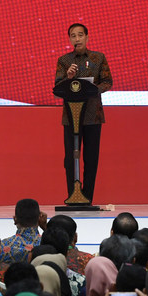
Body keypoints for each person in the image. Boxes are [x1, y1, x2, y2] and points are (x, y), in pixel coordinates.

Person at [55, 22, 113, 204]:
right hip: (71, 117)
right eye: (73, 36)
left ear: (87, 37)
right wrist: (68, 78)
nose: (77, 38)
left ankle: (87, 198)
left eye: (80, 35)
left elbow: (108, 82)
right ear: (69, 39)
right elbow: (57, 87)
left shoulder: (98, 58)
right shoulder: (64, 61)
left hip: (92, 115)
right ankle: (73, 196)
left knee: (91, 158)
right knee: (70, 158)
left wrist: (93, 89)